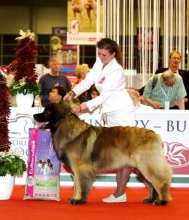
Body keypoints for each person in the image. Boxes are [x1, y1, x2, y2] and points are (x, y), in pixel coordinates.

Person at [64, 38, 135, 203]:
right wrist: (72, 93)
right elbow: (88, 82)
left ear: (113, 54)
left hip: (122, 114)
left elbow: (104, 97)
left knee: (124, 154)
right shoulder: (99, 62)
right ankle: (120, 193)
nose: (100, 57)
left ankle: (120, 194)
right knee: (117, 154)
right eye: (99, 54)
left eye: (104, 54)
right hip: (109, 114)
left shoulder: (116, 70)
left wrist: (82, 107)